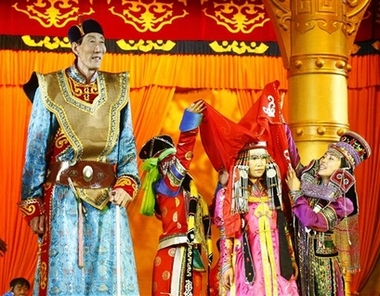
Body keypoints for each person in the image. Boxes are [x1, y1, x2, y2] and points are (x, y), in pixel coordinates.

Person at [19, 18, 140, 295]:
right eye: (91, 42)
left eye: (102, 42)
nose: (99, 48)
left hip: (108, 200)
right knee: (67, 279)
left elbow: (127, 145)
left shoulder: (116, 88)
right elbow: (35, 151)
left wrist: (126, 183)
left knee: (110, 280)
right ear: (75, 47)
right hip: (64, 199)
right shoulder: (49, 87)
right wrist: (33, 205)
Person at [138, 101, 213, 296]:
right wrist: (190, 123)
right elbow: (183, 157)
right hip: (175, 256)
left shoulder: (186, 190)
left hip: (188, 252)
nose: (175, 165)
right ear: (162, 167)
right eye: (170, 161)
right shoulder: (166, 186)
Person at [285, 130, 371, 296]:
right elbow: (292, 155)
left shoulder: (344, 203)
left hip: (323, 268)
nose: (323, 160)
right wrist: (282, 125)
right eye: (324, 156)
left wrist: (295, 193)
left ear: (343, 168)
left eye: (331, 158)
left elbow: (313, 221)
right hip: (299, 262)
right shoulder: (307, 184)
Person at [213, 141, 299, 295]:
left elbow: (283, 229)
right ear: (244, 162)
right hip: (247, 259)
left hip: (277, 260)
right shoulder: (231, 194)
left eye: (262, 158)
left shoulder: (273, 191)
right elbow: (227, 233)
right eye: (254, 159)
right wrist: (226, 265)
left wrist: (291, 258)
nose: (260, 163)